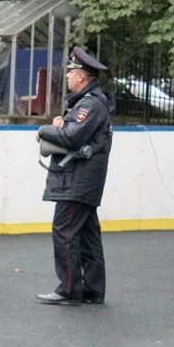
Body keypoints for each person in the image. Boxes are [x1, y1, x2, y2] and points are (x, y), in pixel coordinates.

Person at [36, 46, 112, 306]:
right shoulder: (90, 103)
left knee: (65, 232)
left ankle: (68, 289)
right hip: (84, 181)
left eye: (70, 72)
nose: (67, 77)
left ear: (81, 76)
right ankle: (93, 289)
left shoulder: (90, 104)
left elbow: (71, 137)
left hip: (76, 181)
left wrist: (45, 130)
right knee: (88, 236)